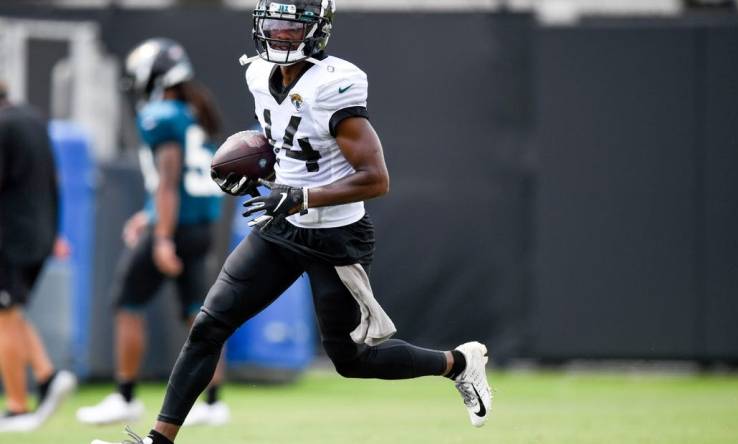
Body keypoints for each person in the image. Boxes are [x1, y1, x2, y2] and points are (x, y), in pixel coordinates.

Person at [92, 2, 491, 443]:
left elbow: (376, 179)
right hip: (281, 227)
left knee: (351, 360)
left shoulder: (335, 85)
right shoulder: (258, 75)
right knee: (209, 325)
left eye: (292, 26)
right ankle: (158, 440)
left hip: (335, 236)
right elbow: (288, 143)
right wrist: (257, 171)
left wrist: (303, 195)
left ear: (316, 31)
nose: (280, 34)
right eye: (274, 23)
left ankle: (457, 362)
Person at [76, 38, 229, 427]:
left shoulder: (160, 114)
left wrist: (160, 236)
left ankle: (125, 395)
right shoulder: (194, 111)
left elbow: (168, 180)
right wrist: (150, 216)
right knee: (199, 315)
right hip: (199, 225)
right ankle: (213, 402)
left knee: (126, 303)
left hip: (174, 227)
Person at [0, 80, 77, 432]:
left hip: (11, 237)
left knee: (4, 317)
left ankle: (17, 407)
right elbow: (52, 180)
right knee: (12, 312)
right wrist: (55, 231)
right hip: (40, 234)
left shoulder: (4, 126)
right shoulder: (32, 119)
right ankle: (47, 376)